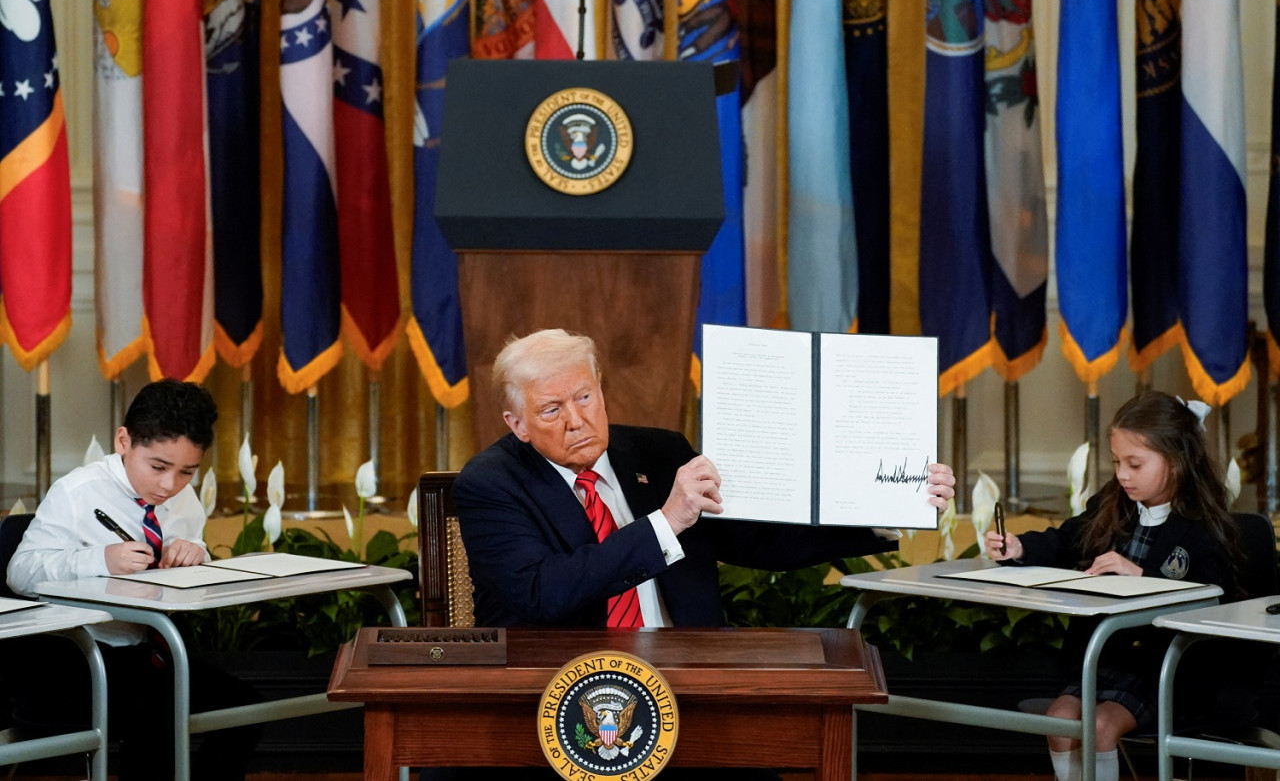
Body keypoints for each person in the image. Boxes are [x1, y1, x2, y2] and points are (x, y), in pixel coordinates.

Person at [457, 328, 956, 629]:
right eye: (551, 409)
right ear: (517, 424)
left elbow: (756, 541)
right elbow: (543, 593)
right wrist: (668, 520)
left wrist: (889, 509)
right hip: (561, 689)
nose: (575, 420)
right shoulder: (490, 484)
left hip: (690, 677)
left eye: (584, 398)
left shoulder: (660, 451)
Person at [4, 378, 260, 781]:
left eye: (186, 472)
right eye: (158, 467)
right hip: (78, 657)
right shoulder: (78, 492)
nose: (168, 485)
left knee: (243, 707)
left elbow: (187, 560)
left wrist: (196, 554)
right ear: (124, 441)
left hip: (150, 652)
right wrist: (100, 558)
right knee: (157, 711)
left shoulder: (180, 497)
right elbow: (21, 572)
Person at [983, 390, 1243, 781]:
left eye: (1135, 464)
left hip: (1165, 668)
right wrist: (1019, 546)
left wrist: (1142, 577)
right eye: (1118, 462)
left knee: (1102, 726)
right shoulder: (1114, 501)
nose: (1122, 474)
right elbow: (1067, 538)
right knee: (1059, 719)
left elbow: (1216, 597)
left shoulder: (1204, 526)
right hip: (1104, 658)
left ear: (1176, 462)